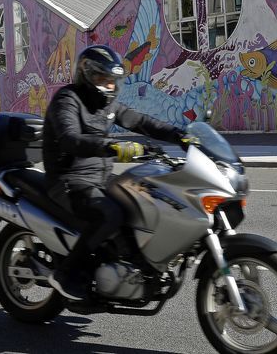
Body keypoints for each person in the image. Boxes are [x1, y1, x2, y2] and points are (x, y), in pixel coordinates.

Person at [43, 44, 187, 300]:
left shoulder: (108, 106)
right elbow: (70, 139)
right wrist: (112, 147)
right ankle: (66, 273)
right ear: (86, 75)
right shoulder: (67, 100)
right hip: (69, 180)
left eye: (112, 81)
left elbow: (141, 121)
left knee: (144, 199)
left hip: (99, 177)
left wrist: (180, 135)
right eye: (103, 79)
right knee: (109, 213)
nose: (109, 86)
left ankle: (137, 265)